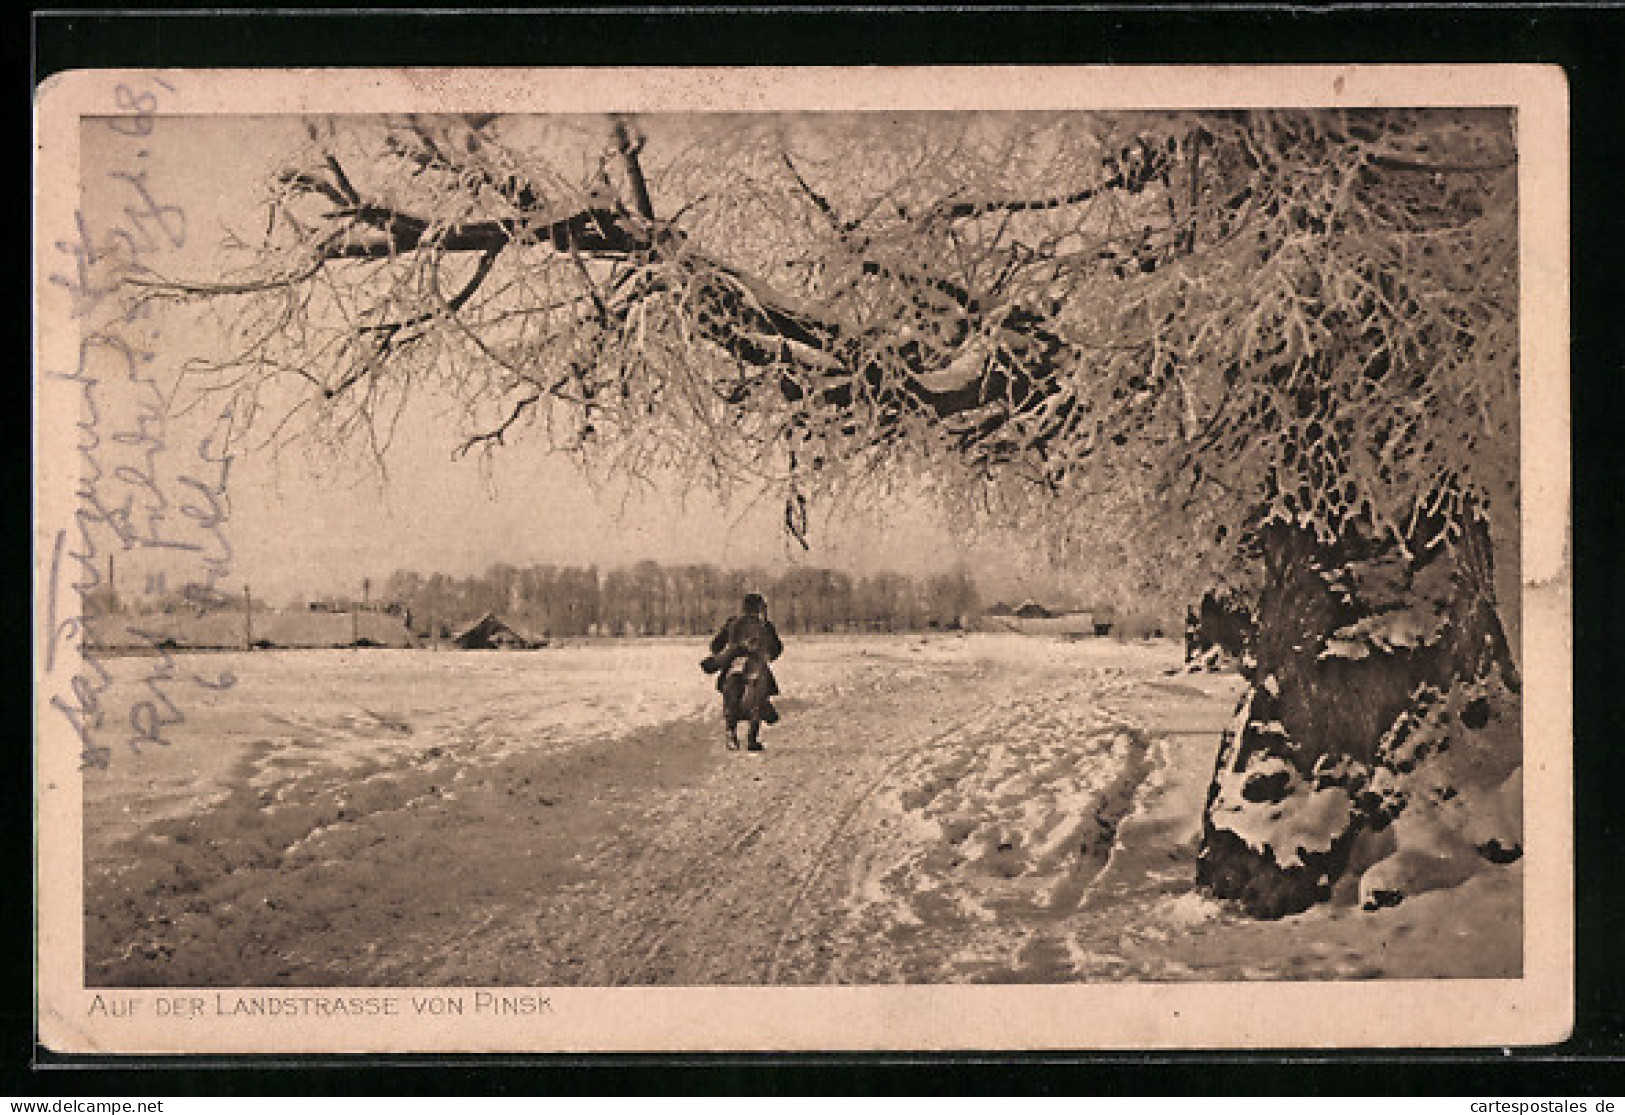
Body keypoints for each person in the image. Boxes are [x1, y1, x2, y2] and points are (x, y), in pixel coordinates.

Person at [702, 592, 783, 752]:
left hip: (735, 664)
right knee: (760, 697)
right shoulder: (765, 625)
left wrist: (726, 652)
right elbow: (777, 649)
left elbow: (715, 645)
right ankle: (752, 738)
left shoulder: (733, 623)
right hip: (756, 664)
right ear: (760, 608)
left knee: (731, 695)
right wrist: (767, 655)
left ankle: (731, 733)